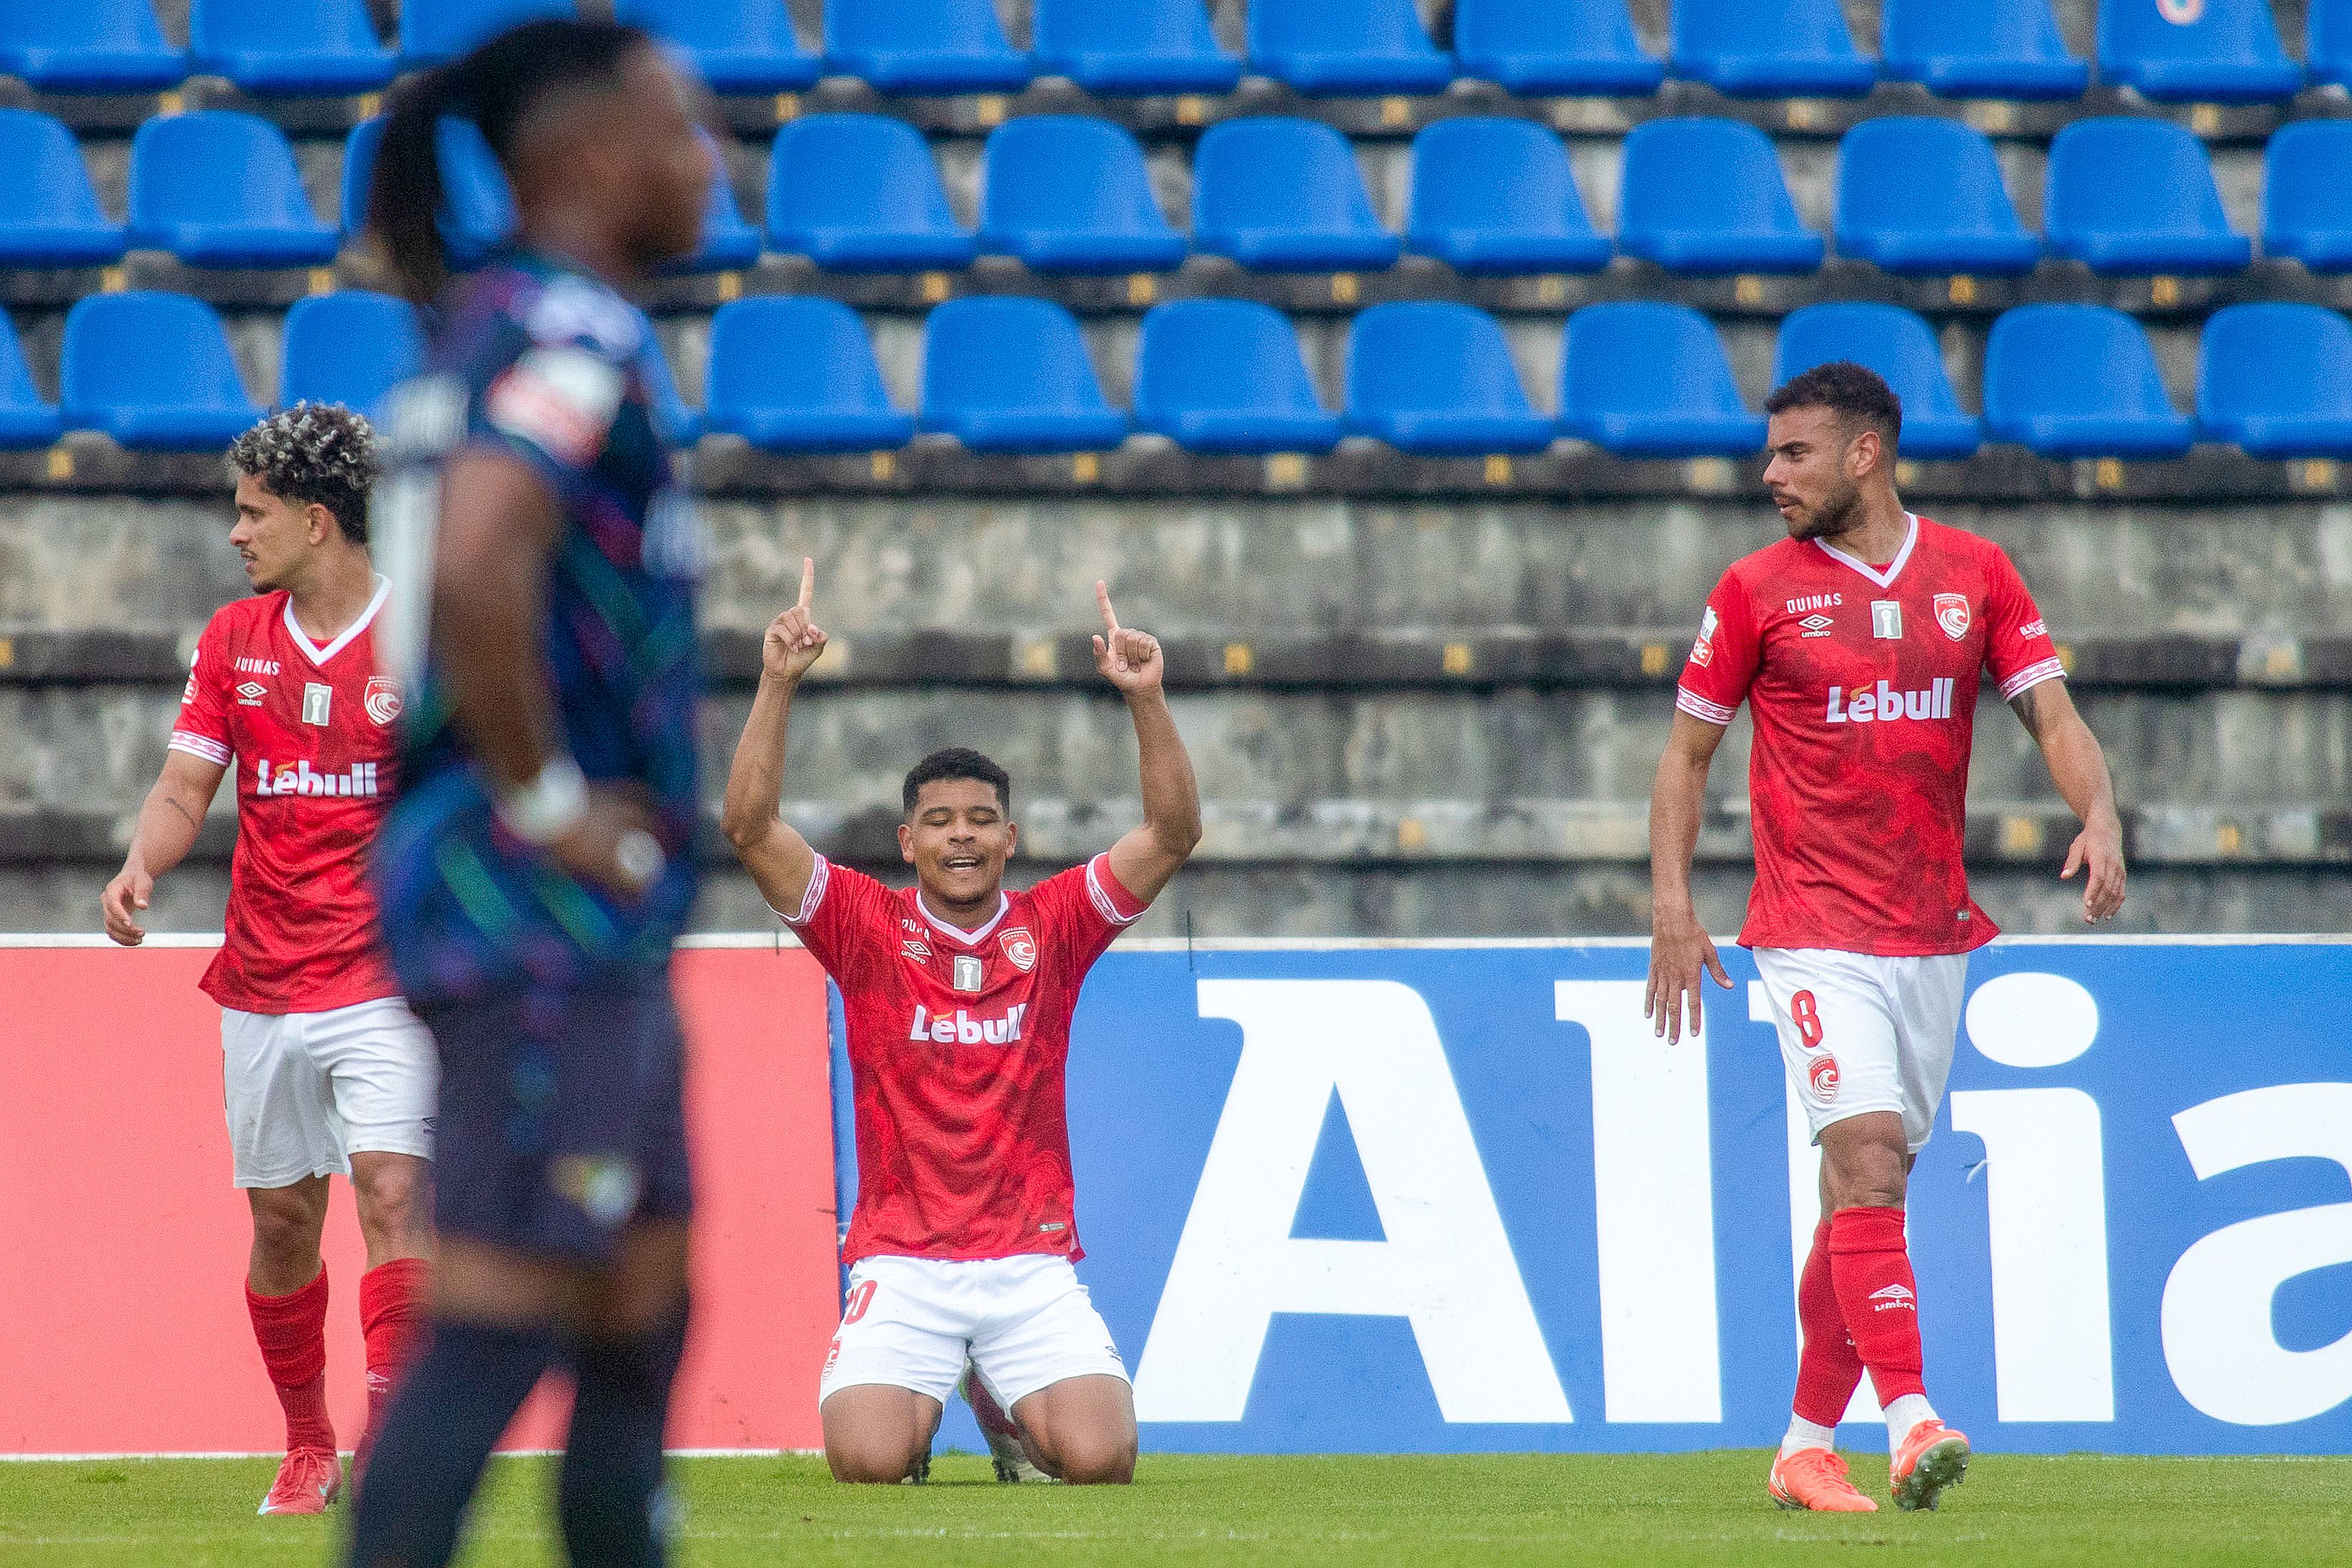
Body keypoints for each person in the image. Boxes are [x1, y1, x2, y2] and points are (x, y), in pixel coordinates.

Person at [345, 18, 715, 1568]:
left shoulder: (487, 321)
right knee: (500, 1319)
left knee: (642, 1302)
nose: (708, 162)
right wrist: (550, 798)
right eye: (681, 127)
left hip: (570, 918)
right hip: (532, 905)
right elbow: (484, 550)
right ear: (584, 155)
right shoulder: (567, 328)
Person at [1644, 362, 2126, 1514]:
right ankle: (1912, 1422)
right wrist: (1672, 904)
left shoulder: (1975, 575)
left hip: (1929, 933)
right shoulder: (1755, 590)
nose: (1771, 475)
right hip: (1809, 927)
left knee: (1866, 1197)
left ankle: (1805, 1445)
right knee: (1863, 1157)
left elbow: (2053, 715)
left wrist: (2101, 812)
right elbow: (1686, 755)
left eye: (1794, 453)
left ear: (1866, 453)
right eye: (1771, 454)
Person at [720, 561, 1201, 1486]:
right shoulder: (865, 927)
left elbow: (1172, 835)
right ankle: (942, 1390)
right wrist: (776, 682)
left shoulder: (1054, 926)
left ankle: (998, 1396)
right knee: (866, 1462)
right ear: (909, 843)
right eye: (939, 822)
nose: (962, 836)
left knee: (1102, 1460)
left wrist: (1146, 699)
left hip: (1030, 1260)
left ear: (1010, 840)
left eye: (982, 820)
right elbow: (750, 830)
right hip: (903, 1261)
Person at [101, 403, 434, 1515]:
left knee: (393, 1188)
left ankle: (394, 1443)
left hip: (388, 975)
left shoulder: (420, 639)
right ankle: (307, 1441)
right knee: (283, 1221)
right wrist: (142, 863)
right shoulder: (235, 639)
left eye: (253, 512)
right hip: (263, 975)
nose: (237, 533)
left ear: (316, 518)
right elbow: (185, 783)